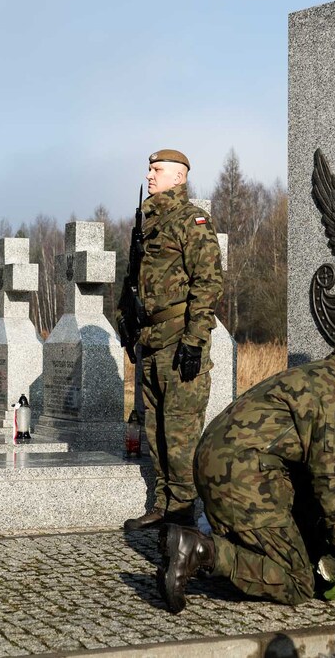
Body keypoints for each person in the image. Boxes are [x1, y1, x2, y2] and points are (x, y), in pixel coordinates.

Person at [158, 327, 335, 613]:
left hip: (222, 466)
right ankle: (200, 551)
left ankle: (230, 549)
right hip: (242, 476)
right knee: (298, 581)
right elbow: (332, 487)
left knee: (299, 547)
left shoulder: (319, 374)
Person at [122, 149, 224, 531]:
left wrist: (195, 341)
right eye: (149, 169)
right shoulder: (149, 223)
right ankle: (163, 506)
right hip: (151, 342)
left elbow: (208, 283)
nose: (149, 175)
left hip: (179, 341)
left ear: (178, 177)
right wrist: (126, 322)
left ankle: (182, 515)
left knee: (180, 434)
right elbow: (135, 279)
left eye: (157, 169)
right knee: (156, 431)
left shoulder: (191, 220)